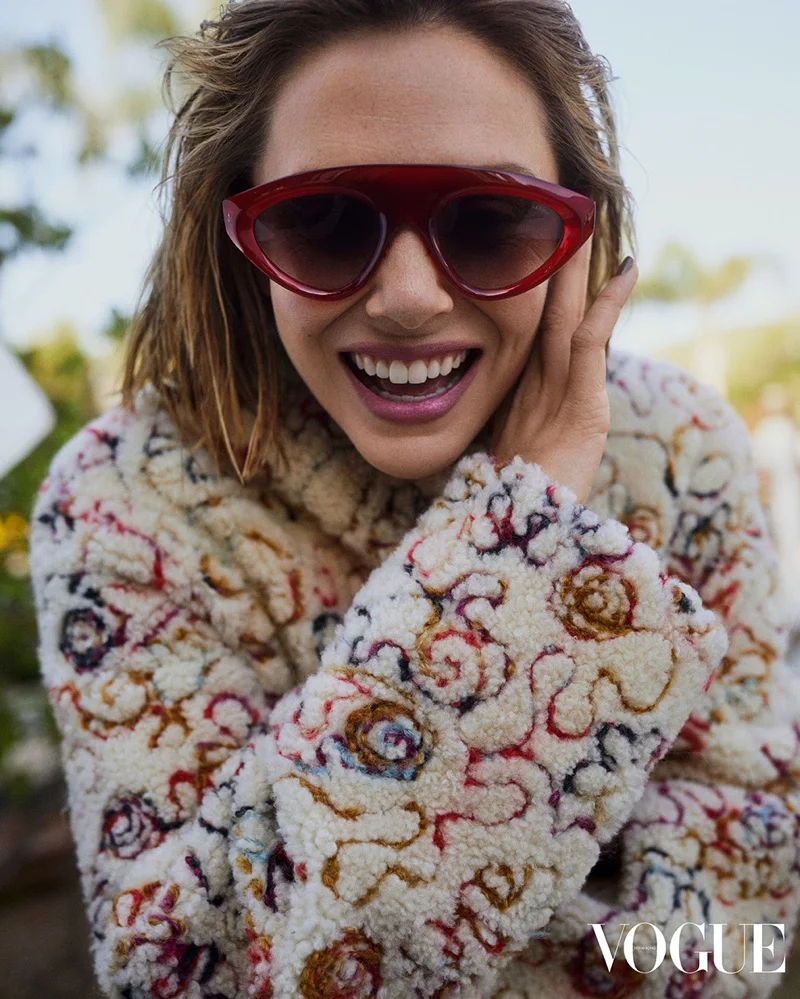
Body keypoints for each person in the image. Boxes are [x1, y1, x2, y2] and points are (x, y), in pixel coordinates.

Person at [28, 2, 800, 997]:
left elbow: (743, 893)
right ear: (236, 235)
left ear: (576, 230)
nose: (406, 297)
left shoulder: (681, 453)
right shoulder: (121, 503)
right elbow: (185, 972)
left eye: (488, 222)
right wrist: (515, 535)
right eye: (321, 221)